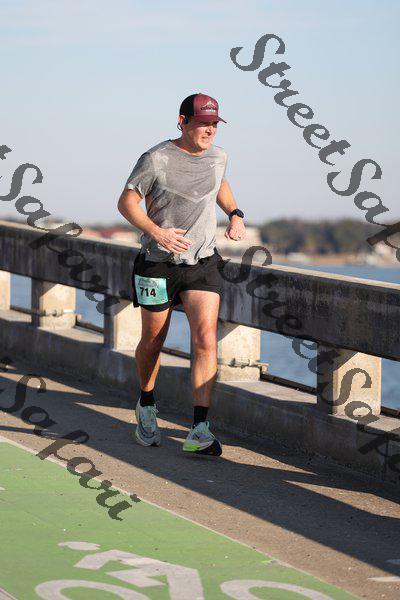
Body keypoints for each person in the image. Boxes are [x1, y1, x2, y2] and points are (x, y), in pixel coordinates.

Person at [117, 93, 246, 456]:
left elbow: (219, 182)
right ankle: (146, 404)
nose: (210, 130)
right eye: (203, 123)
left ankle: (200, 429)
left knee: (205, 339)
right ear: (183, 121)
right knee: (153, 341)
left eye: (214, 124)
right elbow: (126, 202)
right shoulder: (155, 158)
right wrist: (156, 231)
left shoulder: (219, 156)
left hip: (202, 262)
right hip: (157, 263)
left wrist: (235, 213)